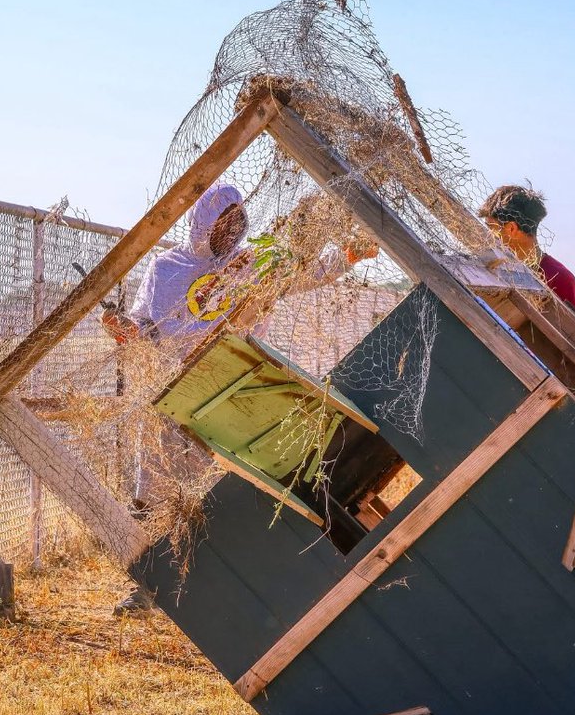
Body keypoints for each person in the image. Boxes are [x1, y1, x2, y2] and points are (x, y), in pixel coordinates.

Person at [103, 183, 376, 614]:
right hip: (173, 390)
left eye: (238, 223)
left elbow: (300, 275)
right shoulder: (166, 268)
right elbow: (142, 323)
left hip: (235, 387)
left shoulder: (249, 264)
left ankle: (220, 590)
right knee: (153, 486)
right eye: (222, 225)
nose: (231, 233)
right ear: (202, 226)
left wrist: (347, 256)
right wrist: (124, 329)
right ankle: (148, 586)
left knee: (222, 492)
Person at [476, 185, 575, 309]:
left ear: (511, 228)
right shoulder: (491, 271)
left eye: (490, 228)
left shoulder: (560, 280)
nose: (487, 237)